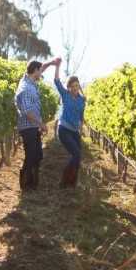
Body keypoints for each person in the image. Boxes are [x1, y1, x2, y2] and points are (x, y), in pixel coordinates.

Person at [15, 59, 58, 191]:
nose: (41, 73)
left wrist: (50, 63)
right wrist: (41, 124)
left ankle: (33, 182)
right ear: (35, 71)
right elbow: (27, 112)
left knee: (37, 155)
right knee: (32, 155)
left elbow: (40, 68)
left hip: (32, 126)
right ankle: (26, 183)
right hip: (28, 127)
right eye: (40, 71)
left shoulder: (29, 80)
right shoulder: (26, 88)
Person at [53, 58, 86, 187]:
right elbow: (56, 81)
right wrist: (57, 66)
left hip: (75, 131)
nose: (75, 88)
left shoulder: (82, 100)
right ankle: (63, 180)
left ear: (79, 86)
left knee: (78, 157)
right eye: (72, 86)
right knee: (76, 154)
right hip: (64, 129)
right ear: (68, 87)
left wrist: (81, 129)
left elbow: (81, 116)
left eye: (77, 86)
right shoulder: (65, 95)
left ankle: (72, 183)